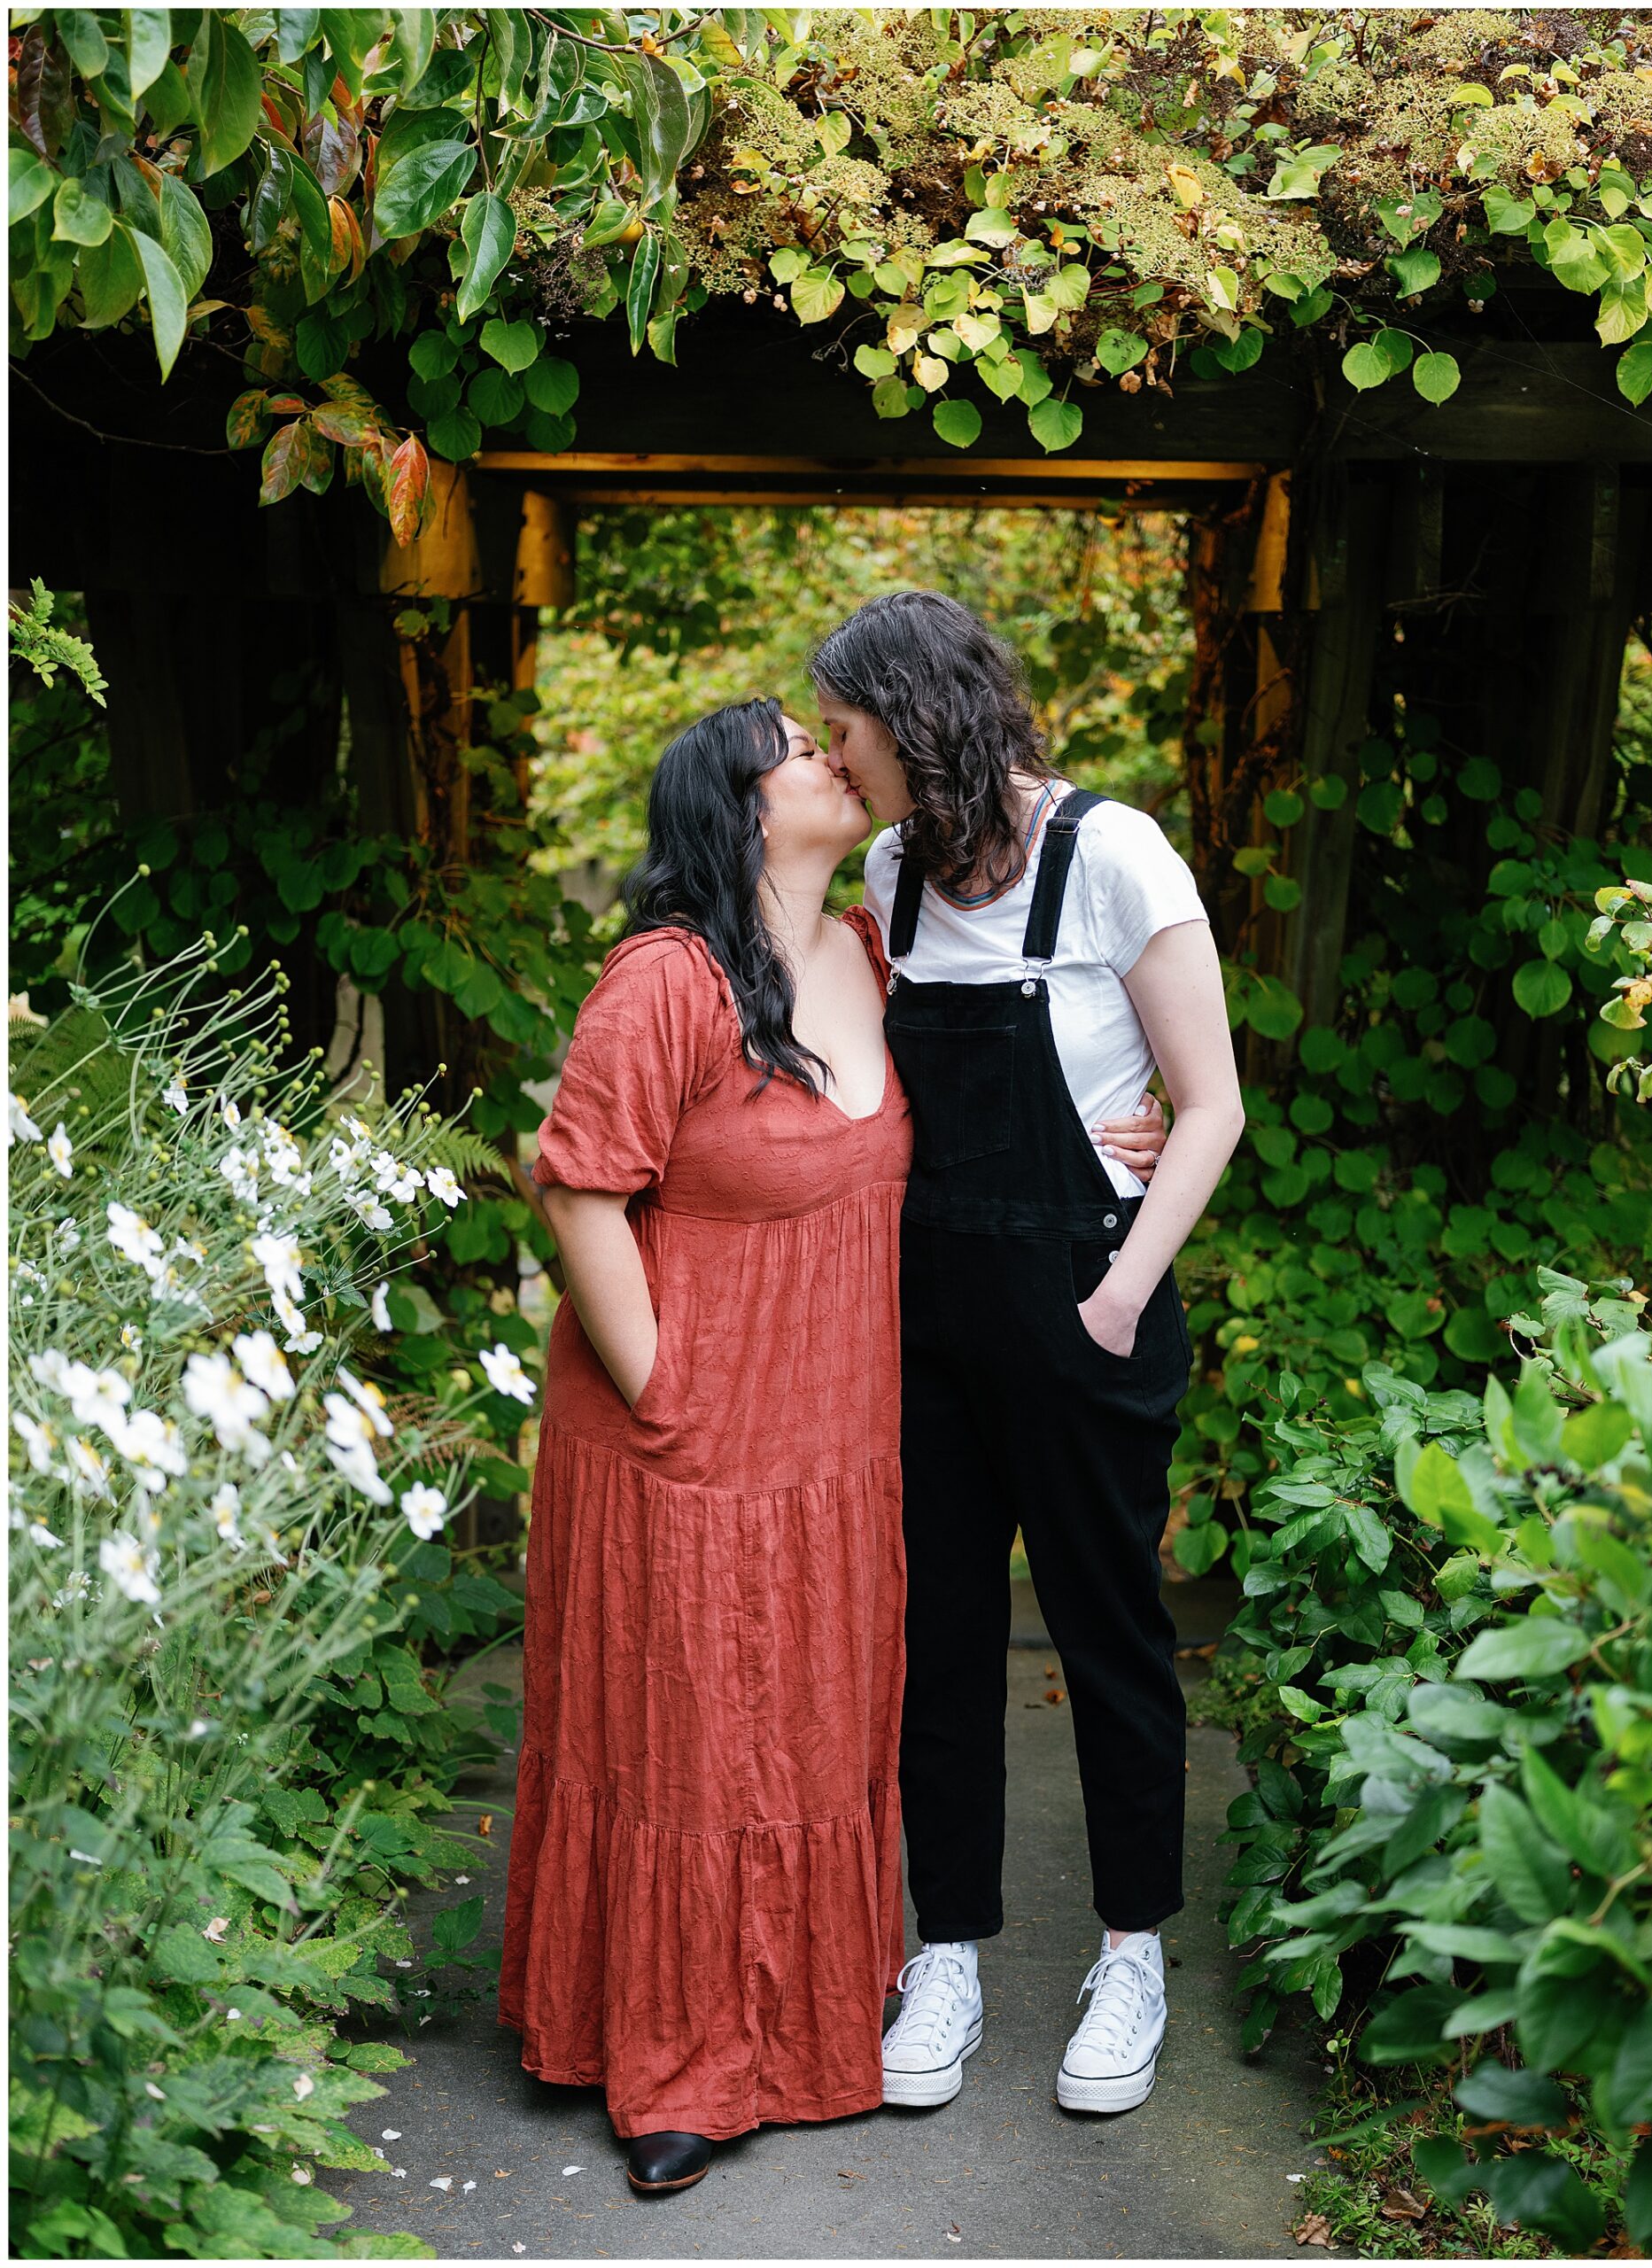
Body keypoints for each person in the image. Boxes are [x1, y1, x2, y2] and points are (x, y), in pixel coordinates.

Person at [498, 695, 1167, 2193]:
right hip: (683, 1428)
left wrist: (1130, 1117)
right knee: (692, 1740)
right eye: (801, 749)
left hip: (840, 1430)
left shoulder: (869, 948)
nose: (835, 760)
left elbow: (1026, 1060)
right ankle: (675, 2058)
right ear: (739, 807)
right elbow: (577, 1188)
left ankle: (800, 2018)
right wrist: (664, 1385)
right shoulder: (661, 982)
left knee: (809, 1718)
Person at [812, 590, 1245, 2119]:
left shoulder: (1113, 856)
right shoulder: (890, 875)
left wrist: (1121, 1293)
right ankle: (953, 1951)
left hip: (1084, 1306)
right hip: (928, 1326)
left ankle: (1129, 1953)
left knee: (1109, 1637)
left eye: (845, 728)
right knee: (934, 1651)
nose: (831, 754)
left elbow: (1209, 1106)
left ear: (911, 717)